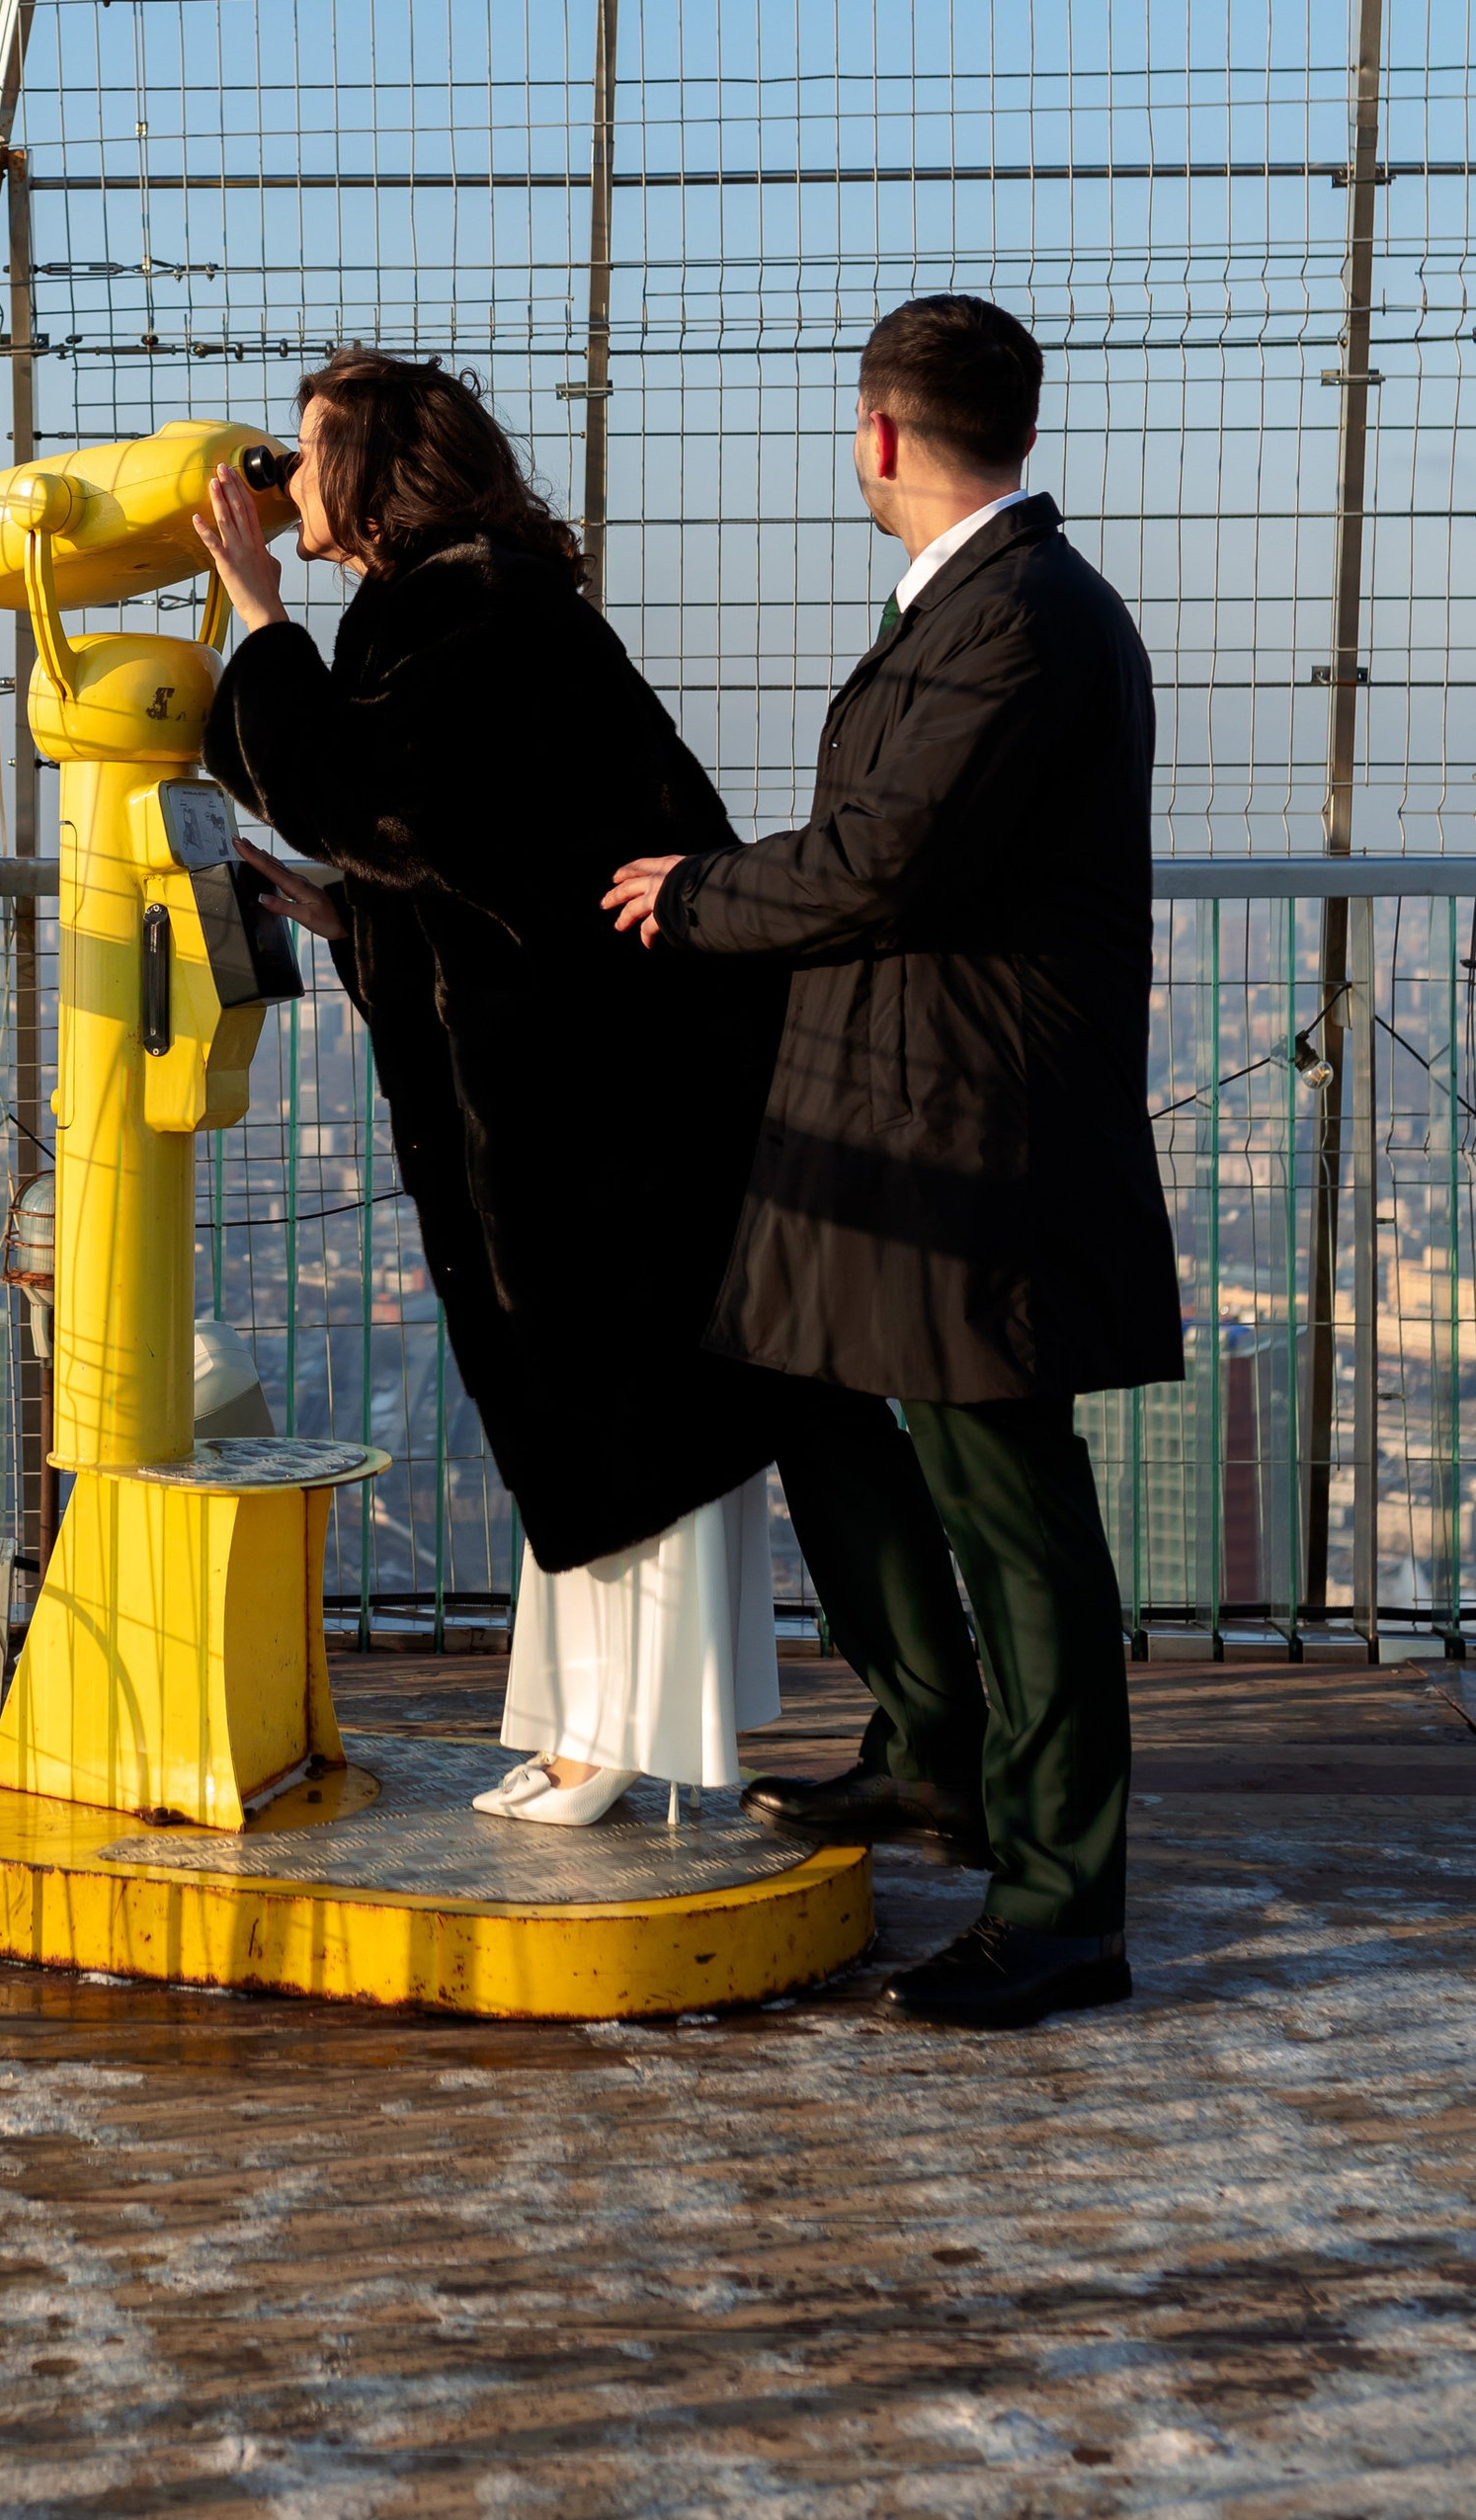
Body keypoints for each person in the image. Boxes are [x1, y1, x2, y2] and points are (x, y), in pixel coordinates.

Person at [605, 293, 1182, 2026]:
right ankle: (931, 1743)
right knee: (813, 1396)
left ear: (880, 436)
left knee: (1014, 1507)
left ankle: (1066, 1907)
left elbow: (885, 858)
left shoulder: (1025, 618)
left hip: (968, 1132)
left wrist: (692, 896)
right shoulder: (986, 605)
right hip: (884, 1114)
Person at [194, 352, 788, 1823]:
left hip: (594, 1106)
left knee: (615, 1416)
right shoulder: (459, 605)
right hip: (581, 1087)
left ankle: (623, 1739)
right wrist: (349, 917)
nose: (286, 477)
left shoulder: (474, 609)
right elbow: (466, 854)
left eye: (309, 448)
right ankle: (592, 1723)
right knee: (581, 1414)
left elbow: (376, 798)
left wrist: (258, 617)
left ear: (382, 470)